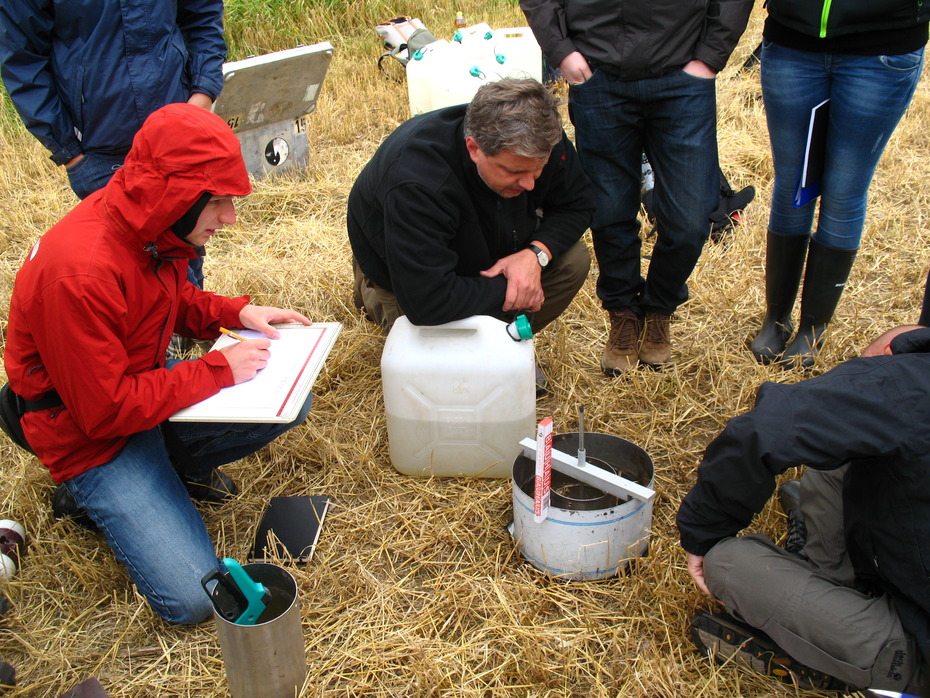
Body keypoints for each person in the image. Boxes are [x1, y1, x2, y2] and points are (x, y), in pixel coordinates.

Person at [2, 104, 313, 625]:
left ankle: (170, 470)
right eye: (218, 204)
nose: (229, 218)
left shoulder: (147, 224)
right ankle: (84, 498)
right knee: (196, 601)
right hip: (93, 438)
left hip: (138, 392)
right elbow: (103, 412)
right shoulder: (79, 272)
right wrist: (218, 370)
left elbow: (168, 302)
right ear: (178, 197)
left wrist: (234, 312)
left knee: (288, 402)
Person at [676, 323, 930, 694]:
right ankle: (831, 578)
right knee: (840, 458)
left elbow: (764, 431)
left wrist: (703, 533)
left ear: (890, 356)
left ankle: (842, 663)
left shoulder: (905, 385)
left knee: (728, 564)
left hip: (919, 641)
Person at [520, 0, 753, 375]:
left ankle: (659, 307)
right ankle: (624, 313)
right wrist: (562, 52)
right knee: (609, 212)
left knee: (691, 220)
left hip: (683, 77)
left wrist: (709, 57)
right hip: (598, 77)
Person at [749, 1, 928, 368]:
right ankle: (776, 319)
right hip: (792, 42)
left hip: (881, 50)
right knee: (791, 188)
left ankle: (812, 328)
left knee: (843, 192)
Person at [0, 0, 227, 288]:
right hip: (100, 150)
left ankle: (187, 331)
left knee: (184, 261)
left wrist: (201, 95)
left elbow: (202, 15)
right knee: (136, 273)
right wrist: (68, 148)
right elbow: (22, 58)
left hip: (179, 135)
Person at [348, 78, 594, 340]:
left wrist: (535, 255)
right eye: (515, 171)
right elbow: (427, 304)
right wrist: (514, 285)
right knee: (438, 364)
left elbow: (578, 203)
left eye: (539, 169)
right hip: (413, 272)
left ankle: (501, 342)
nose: (530, 183)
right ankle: (371, 290)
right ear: (474, 148)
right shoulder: (417, 180)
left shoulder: (541, 141)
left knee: (573, 261)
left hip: (489, 241)